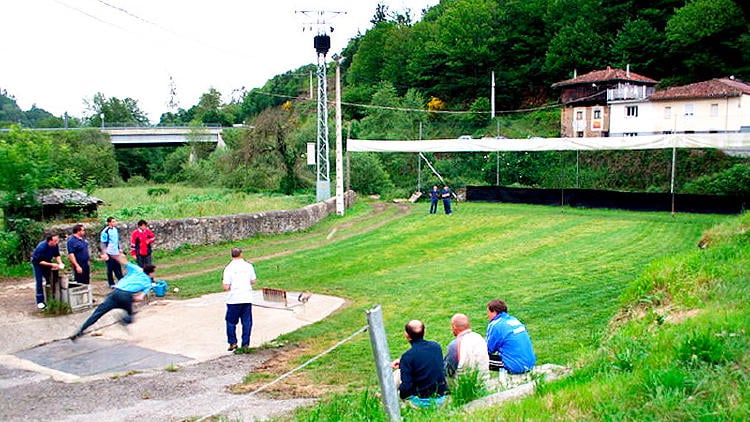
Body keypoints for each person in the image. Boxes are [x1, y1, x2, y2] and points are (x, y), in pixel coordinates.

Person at [70, 254, 155, 340]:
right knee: (130, 317)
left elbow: (122, 260)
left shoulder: (137, 269)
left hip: (115, 292)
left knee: (97, 314)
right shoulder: (148, 283)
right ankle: (123, 320)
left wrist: (113, 254)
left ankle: (80, 331)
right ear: (150, 273)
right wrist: (131, 299)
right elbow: (140, 298)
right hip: (126, 296)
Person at [391, 320, 448, 408]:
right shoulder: (436, 347)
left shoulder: (408, 357)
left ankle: (386, 399)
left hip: (420, 402)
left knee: (396, 376)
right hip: (441, 397)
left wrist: (401, 395)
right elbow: (425, 361)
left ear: (407, 335)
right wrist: (403, 363)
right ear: (424, 332)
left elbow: (406, 387)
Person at [485, 299, 536, 374]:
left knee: (476, 358)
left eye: (488, 312)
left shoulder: (495, 325)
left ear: (494, 312)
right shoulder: (514, 320)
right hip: (529, 363)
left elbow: (488, 349)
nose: (487, 315)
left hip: (516, 366)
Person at [222, 247, 257, 351]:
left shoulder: (228, 268)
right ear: (241, 254)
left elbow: (226, 286)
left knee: (231, 322)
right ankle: (245, 343)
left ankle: (232, 342)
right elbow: (253, 280)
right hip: (246, 297)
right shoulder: (248, 266)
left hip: (234, 299)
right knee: (247, 322)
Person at [444, 313, 490, 378]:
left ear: (454, 327)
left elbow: (448, 371)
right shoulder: (480, 338)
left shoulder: (455, 345)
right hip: (484, 381)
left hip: (463, 384)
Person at [30, 235, 64, 309]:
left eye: (57, 240)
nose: (57, 242)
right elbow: (39, 261)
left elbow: (57, 255)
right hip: (38, 264)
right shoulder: (41, 247)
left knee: (50, 278)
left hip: (47, 261)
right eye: (55, 241)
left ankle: (51, 296)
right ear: (50, 241)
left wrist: (60, 263)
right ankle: (40, 301)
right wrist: (52, 264)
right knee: (39, 281)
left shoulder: (55, 245)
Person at [100, 216, 123, 288]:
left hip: (115, 252)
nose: (115, 223)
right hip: (109, 252)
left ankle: (121, 281)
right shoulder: (105, 231)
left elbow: (116, 241)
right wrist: (105, 253)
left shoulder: (115, 230)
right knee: (110, 268)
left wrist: (119, 249)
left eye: (115, 221)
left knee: (118, 267)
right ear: (109, 223)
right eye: (113, 222)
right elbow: (103, 243)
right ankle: (111, 283)